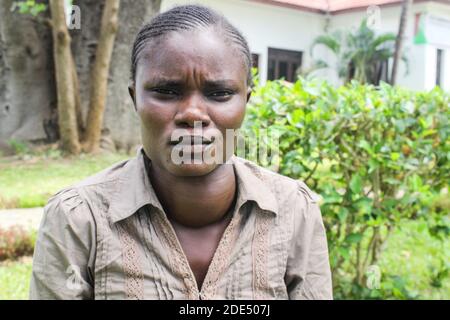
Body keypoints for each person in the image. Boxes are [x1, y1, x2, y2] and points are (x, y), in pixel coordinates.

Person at [30, 4, 332, 300]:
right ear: (135, 98)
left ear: (245, 101)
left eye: (220, 93)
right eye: (167, 91)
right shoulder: (79, 219)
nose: (192, 113)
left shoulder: (294, 211)